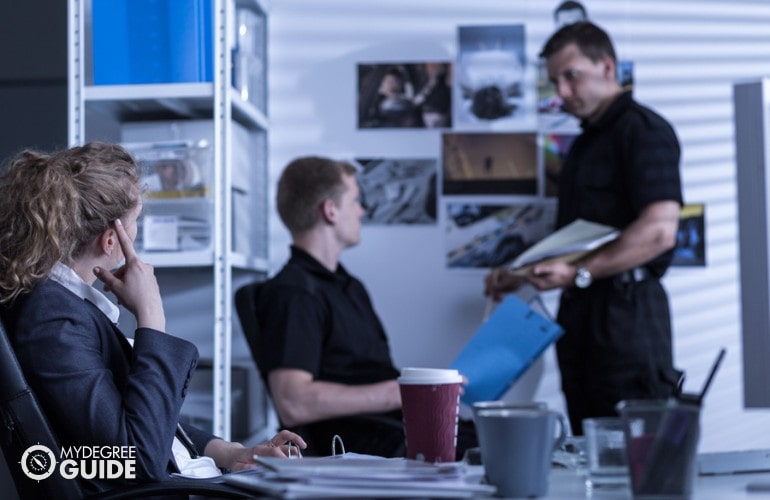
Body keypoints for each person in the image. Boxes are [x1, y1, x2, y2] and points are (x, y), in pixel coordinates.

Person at [0, 142, 305, 494]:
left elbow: (145, 421)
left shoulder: (68, 306)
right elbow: (135, 457)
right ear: (111, 240)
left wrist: (235, 452)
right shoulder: (53, 319)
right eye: (137, 222)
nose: (138, 233)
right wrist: (151, 317)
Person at [484, 22, 684, 435]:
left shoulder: (643, 130)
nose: (562, 92)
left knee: (634, 454)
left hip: (627, 318)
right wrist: (518, 275)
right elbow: (579, 238)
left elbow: (660, 231)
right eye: (555, 81)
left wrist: (578, 273)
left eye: (571, 76)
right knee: (587, 445)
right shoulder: (585, 143)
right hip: (582, 316)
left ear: (607, 66)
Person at [254, 156, 476, 458]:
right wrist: (401, 392)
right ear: (330, 211)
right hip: (365, 444)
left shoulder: (349, 286)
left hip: (395, 430)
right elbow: (293, 402)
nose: (362, 210)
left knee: (492, 435)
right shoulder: (294, 293)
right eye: (355, 200)